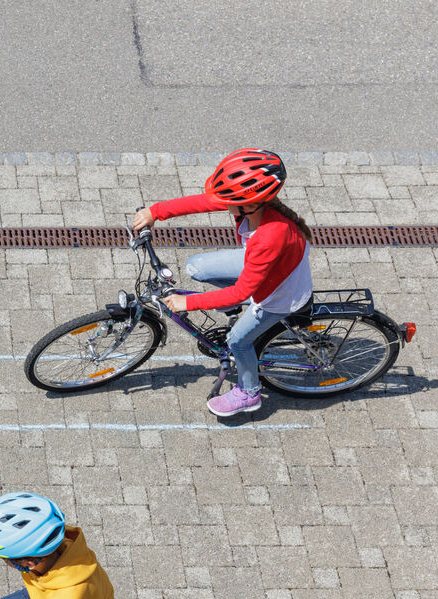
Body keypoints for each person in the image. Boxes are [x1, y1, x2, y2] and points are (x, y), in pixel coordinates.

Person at [132, 148, 314, 417]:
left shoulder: (269, 236)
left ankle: (249, 394)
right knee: (197, 267)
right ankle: (234, 307)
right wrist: (155, 212)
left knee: (237, 341)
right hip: (264, 266)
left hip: (278, 296)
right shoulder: (253, 206)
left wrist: (188, 303)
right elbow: (202, 202)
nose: (221, 203)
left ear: (249, 204)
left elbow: (244, 289)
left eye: (226, 200)